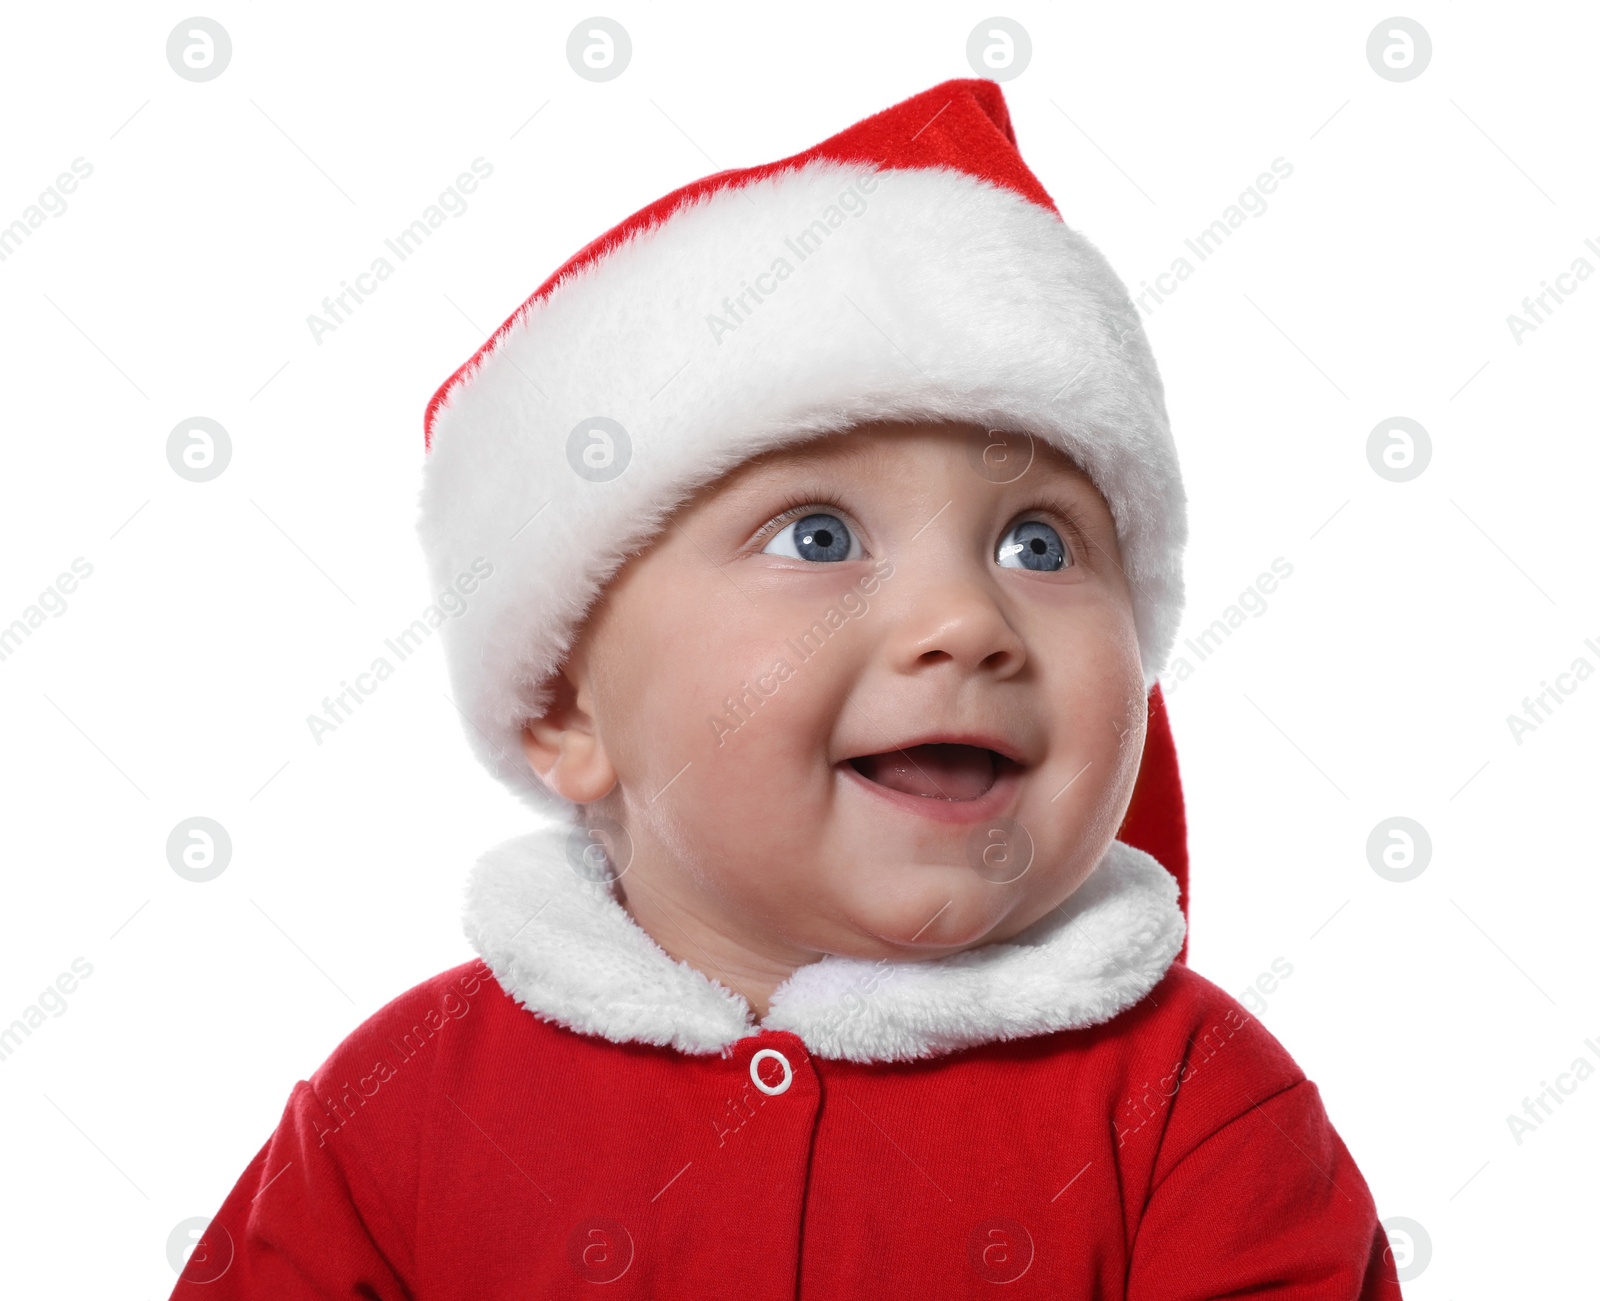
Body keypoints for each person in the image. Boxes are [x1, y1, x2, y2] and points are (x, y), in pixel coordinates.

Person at [172, 77, 1400, 1299]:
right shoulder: (403, 1106)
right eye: (816, 536)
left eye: (1040, 542)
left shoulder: (1199, 1107)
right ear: (565, 708)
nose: (967, 623)